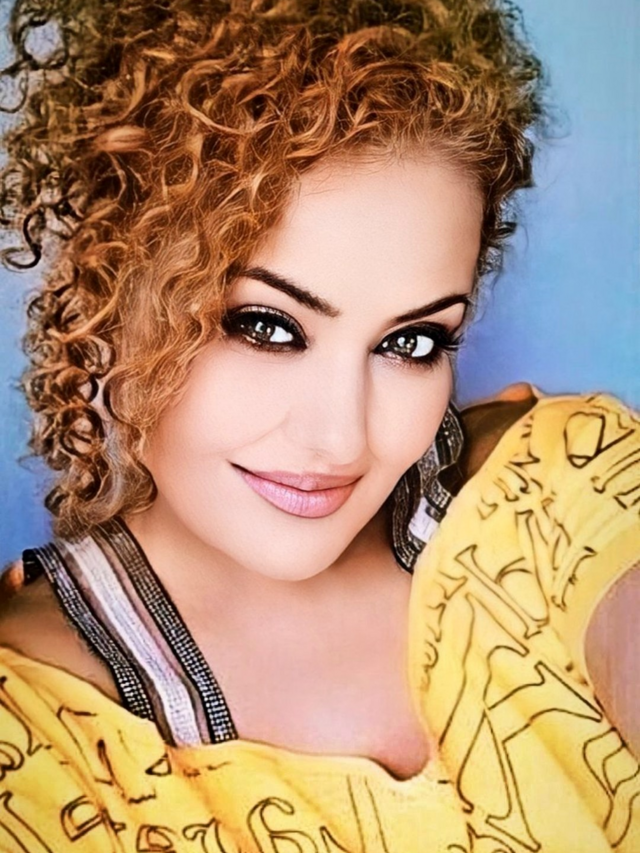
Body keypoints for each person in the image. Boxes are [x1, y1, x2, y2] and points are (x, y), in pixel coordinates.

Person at [0, 0, 637, 850]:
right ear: (109, 289)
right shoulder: (35, 741)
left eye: (411, 342)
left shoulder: (563, 494)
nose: (342, 439)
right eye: (265, 326)